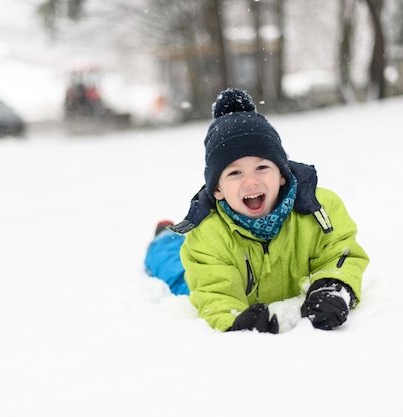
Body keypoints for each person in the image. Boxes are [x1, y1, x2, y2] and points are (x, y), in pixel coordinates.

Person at [144, 88, 369, 333]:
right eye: (234, 172)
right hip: (210, 261)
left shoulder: (318, 209)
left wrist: (333, 287)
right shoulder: (207, 235)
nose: (251, 182)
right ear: (216, 189)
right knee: (176, 270)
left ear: (282, 175)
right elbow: (214, 293)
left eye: (262, 167)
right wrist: (236, 322)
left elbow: (339, 252)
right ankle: (163, 238)